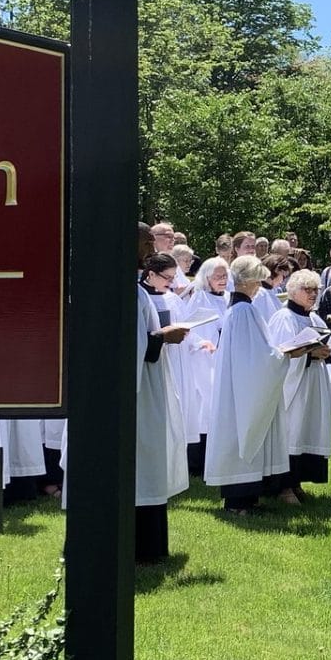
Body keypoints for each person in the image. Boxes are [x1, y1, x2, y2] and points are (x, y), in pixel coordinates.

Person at [205, 256, 317, 512]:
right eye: (258, 279)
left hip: (241, 385)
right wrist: (286, 354)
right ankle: (238, 502)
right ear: (250, 280)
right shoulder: (244, 311)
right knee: (242, 436)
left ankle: (247, 499)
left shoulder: (240, 309)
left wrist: (278, 353)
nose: (260, 284)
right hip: (243, 390)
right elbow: (255, 358)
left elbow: (255, 352)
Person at [135, 237, 191, 559]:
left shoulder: (140, 293)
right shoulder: (133, 293)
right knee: (143, 464)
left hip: (150, 387)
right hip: (139, 392)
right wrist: (162, 338)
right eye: (145, 243)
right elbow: (132, 344)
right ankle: (143, 548)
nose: (150, 249)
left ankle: (151, 546)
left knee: (150, 463)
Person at [268, 269, 331, 500]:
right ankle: (283, 485)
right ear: (292, 290)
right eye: (306, 289)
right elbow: (280, 354)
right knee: (292, 430)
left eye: (315, 289)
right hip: (294, 388)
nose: (313, 294)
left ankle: (297, 481)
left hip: (312, 382)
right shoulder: (284, 318)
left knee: (308, 429)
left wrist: (327, 353)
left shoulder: (314, 318)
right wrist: (309, 355)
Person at [177, 257, 231, 477]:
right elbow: (189, 328)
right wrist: (201, 343)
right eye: (217, 276)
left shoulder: (228, 297)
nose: (222, 280)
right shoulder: (199, 298)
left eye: (225, 276)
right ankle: (196, 463)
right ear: (206, 278)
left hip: (222, 359)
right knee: (203, 410)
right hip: (203, 361)